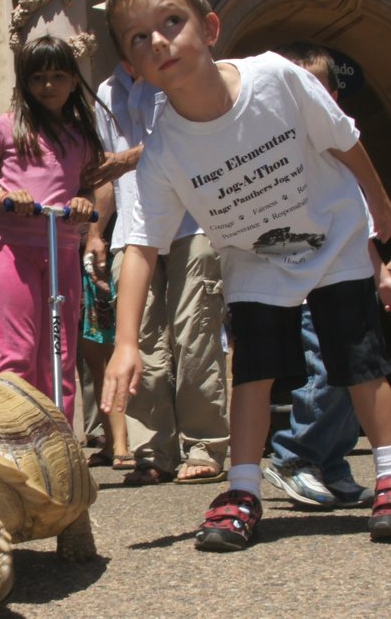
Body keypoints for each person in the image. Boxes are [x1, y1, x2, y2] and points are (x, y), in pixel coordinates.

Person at [101, 0, 391, 551]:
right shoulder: (163, 153)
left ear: (210, 28)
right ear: (133, 69)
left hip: (332, 235)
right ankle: (242, 490)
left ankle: (387, 472)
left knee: (360, 362)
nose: (159, 40)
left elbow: (347, 140)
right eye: (140, 38)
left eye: (171, 21)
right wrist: (126, 342)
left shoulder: (276, 78)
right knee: (254, 370)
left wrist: (381, 212)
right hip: (255, 256)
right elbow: (141, 245)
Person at [82, 60, 229, 486]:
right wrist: (96, 232)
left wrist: (126, 158)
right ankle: (153, 448)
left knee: (194, 332)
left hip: (192, 222)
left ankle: (204, 444)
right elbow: (107, 175)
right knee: (140, 337)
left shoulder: (182, 74)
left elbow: (192, 140)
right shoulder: (107, 93)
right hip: (132, 229)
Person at [264, 43, 385, 508]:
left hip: (349, 273)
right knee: (327, 370)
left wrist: (379, 270)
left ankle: (330, 463)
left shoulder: (342, 149)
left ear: (334, 94)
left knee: (352, 369)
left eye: (318, 87)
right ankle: (296, 455)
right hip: (310, 276)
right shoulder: (284, 152)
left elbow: (359, 224)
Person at [0, 35, 104, 425]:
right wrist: (3, 196)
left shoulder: (81, 134)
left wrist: (83, 202)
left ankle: (59, 442)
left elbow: (89, 185)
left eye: (58, 76)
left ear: (73, 81)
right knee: (19, 352)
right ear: (25, 81)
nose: (48, 86)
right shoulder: (7, 127)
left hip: (61, 250)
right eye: (39, 77)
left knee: (59, 355)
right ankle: (13, 439)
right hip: (14, 247)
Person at [80, 246, 135, 470]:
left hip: (103, 257)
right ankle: (111, 443)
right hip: (74, 259)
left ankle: (122, 444)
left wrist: (95, 232)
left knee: (114, 356)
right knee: (95, 365)